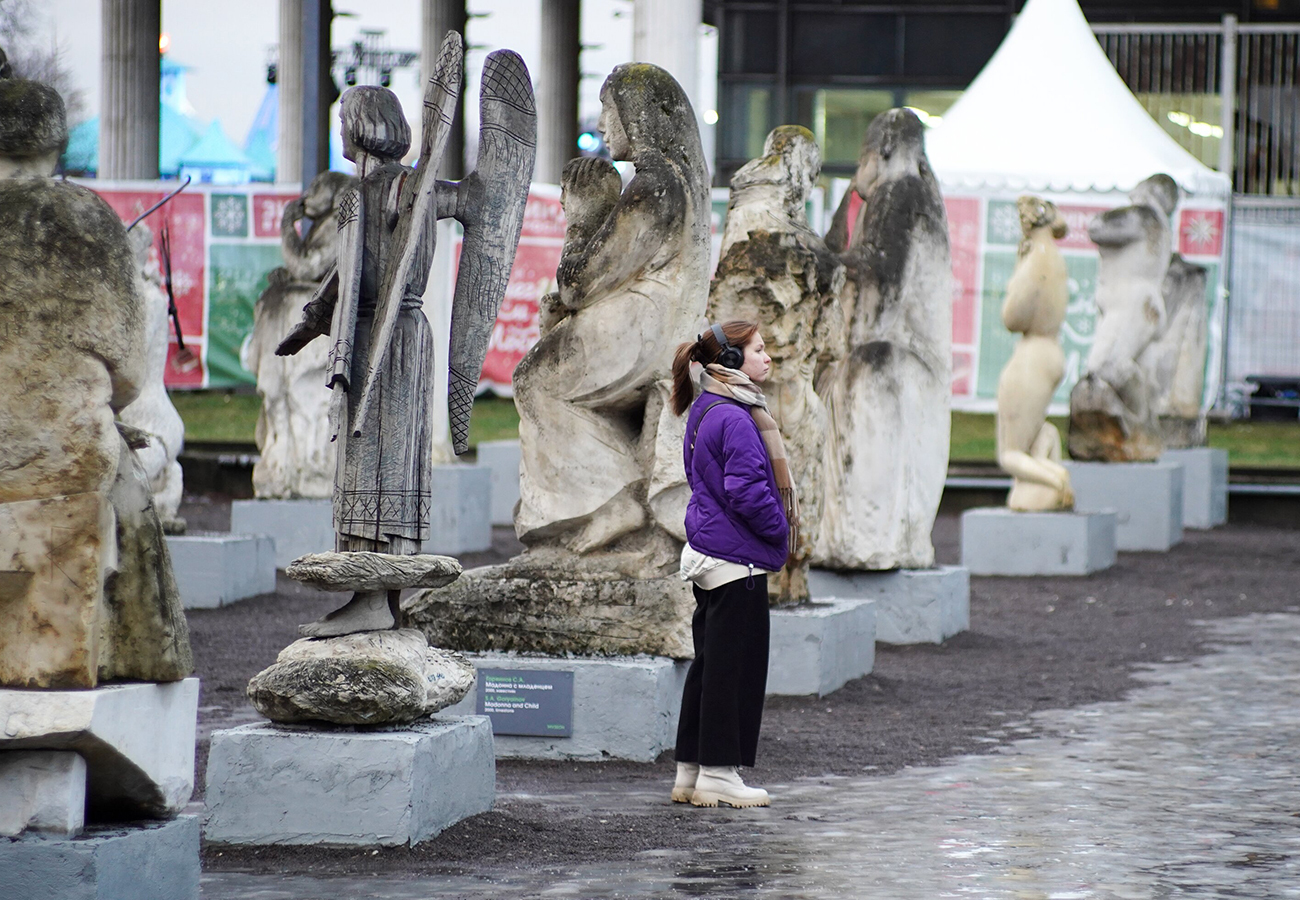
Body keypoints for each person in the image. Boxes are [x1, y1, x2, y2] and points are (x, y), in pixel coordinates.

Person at [668, 319, 797, 808]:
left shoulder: (707, 408)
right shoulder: (737, 417)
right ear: (732, 360)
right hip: (736, 560)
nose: (767, 358)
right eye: (759, 349)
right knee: (733, 671)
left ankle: (692, 770)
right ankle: (720, 774)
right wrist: (780, 530)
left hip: (713, 555)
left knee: (709, 667)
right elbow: (746, 491)